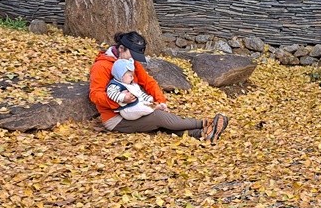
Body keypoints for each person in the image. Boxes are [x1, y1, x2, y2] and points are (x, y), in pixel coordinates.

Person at [89, 31, 229, 141]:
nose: (134, 60)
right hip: (116, 118)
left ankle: (204, 134)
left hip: (136, 106)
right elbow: (95, 95)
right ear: (121, 48)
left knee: (161, 120)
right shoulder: (101, 66)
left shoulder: (130, 62)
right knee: (159, 119)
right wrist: (121, 98)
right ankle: (207, 123)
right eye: (132, 55)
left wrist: (161, 101)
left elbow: (148, 82)